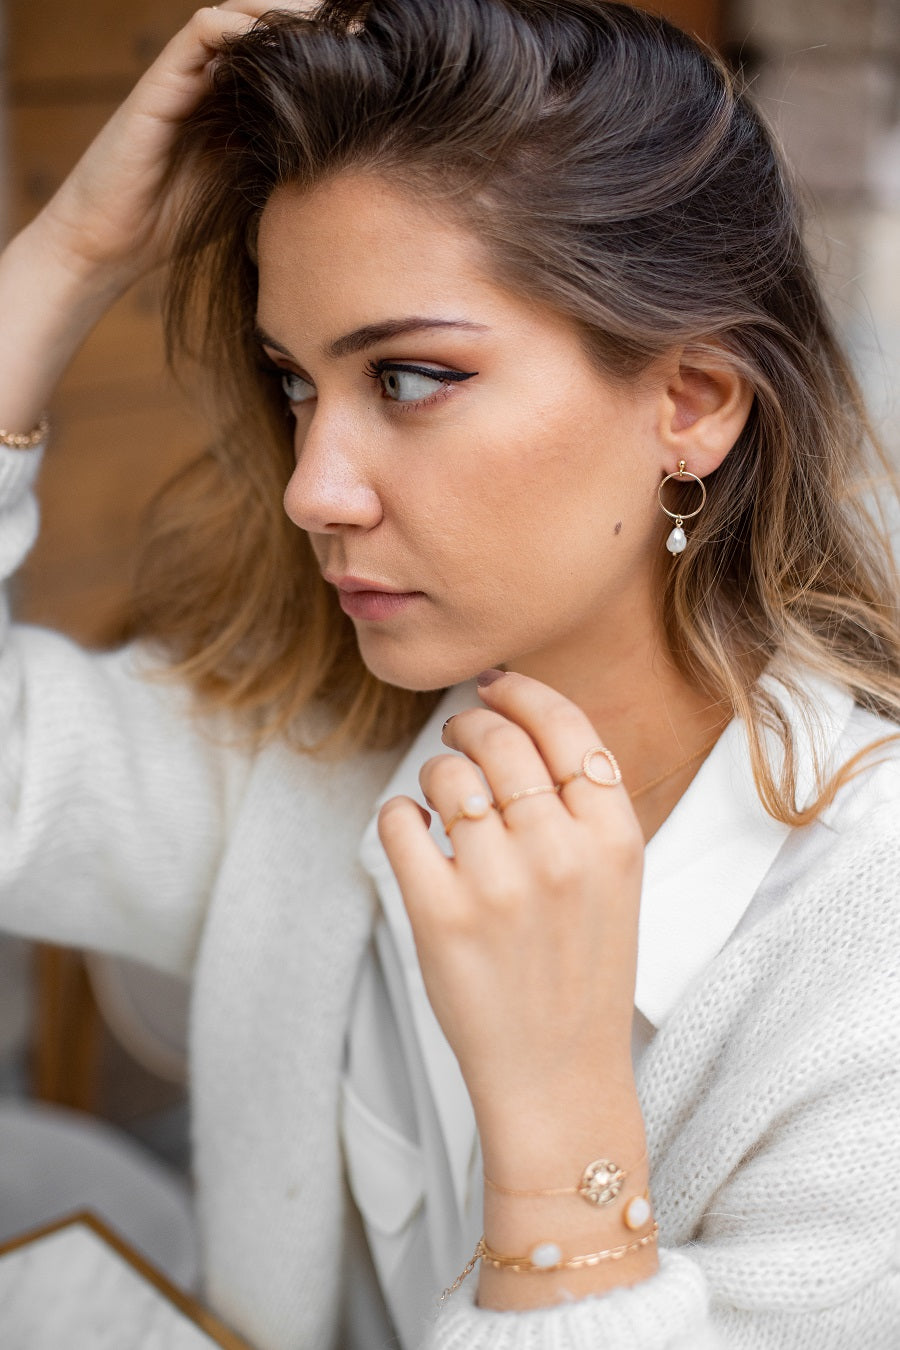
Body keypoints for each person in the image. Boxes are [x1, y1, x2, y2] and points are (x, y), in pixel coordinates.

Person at [1, 1, 899, 1346]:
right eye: (295, 382)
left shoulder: (860, 967)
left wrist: (559, 1125)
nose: (313, 488)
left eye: (411, 376)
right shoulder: (311, 758)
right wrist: (68, 251)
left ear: (693, 403)